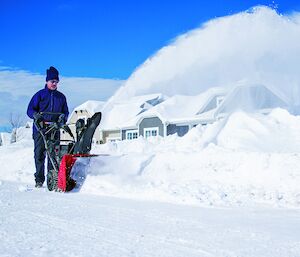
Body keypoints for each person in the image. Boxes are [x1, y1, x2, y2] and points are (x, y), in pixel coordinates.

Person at [27, 66, 69, 188]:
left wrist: (62, 118)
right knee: (39, 154)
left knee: (53, 155)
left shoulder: (61, 97)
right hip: (40, 129)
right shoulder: (39, 95)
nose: (54, 84)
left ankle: (52, 180)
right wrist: (36, 115)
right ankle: (39, 180)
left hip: (54, 129)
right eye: (52, 81)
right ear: (47, 81)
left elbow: (65, 112)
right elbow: (29, 110)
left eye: (56, 82)